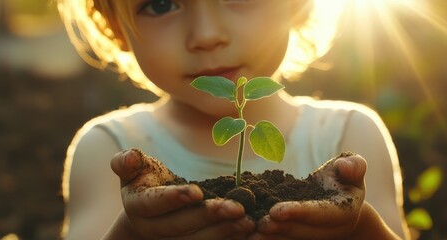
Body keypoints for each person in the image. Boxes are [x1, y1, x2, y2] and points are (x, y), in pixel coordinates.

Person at [58, 0, 410, 239]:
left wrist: (360, 227)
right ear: (115, 26)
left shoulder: (348, 135)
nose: (207, 34)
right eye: (161, 3)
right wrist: (133, 233)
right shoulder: (109, 149)